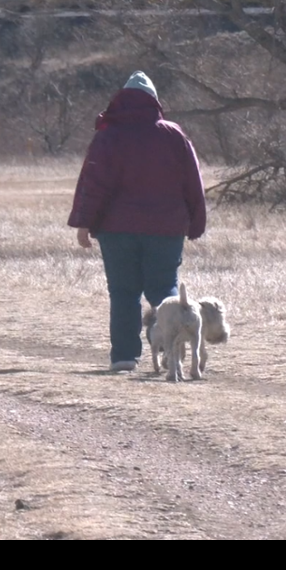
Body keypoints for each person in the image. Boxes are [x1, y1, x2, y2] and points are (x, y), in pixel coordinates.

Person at [68, 71, 207, 372]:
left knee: (123, 292)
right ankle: (175, 354)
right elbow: (192, 182)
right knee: (164, 290)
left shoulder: (107, 136)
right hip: (165, 228)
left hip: (116, 230)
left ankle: (124, 357)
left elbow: (94, 184)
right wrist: (196, 223)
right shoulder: (173, 134)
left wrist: (84, 224)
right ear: (155, 102)